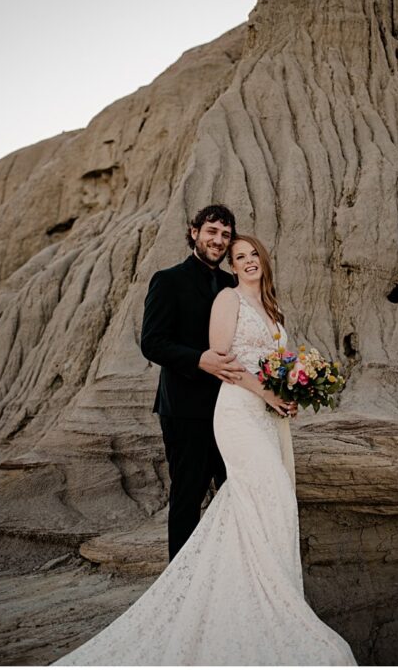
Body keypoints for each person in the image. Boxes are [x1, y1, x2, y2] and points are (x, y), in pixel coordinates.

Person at [57, 234, 356, 665]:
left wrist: (291, 391)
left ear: (264, 260)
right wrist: (268, 394)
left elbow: (278, 365)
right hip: (238, 413)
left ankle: (254, 599)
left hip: (269, 418)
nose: (249, 261)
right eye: (240, 257)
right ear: (231, 267)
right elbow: (223, 363)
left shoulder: (272, 309)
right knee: (262, 495)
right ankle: (254, 604)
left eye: (254, 254)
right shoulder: (227, 300)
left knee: (267, 505)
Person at [139, 204, 245, 560]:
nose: (218, 240)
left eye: (225, 235)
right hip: (186, 410)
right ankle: (179, 585)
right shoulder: (168, 280)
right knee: (188, 498)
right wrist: (199, 359)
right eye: (212, 232)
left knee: (235, 492)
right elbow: (152, 341)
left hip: (231, 408)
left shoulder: (233, 284)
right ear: (194, 232)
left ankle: (225, 572)